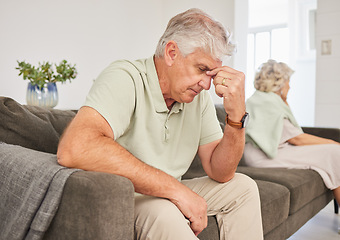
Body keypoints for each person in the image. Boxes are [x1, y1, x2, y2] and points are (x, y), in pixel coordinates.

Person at [57, 8, 263, 240]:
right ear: (172, 52)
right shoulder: (125, 77)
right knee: (164, 211)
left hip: (166, 194)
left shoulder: (199, 99)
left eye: (212, 74)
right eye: (202, 69)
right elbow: (75, 147)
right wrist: (177, 191)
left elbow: (221, 172)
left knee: (243, 188)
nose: (207, 84)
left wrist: (236, 117)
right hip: (128, 196)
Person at [244, 59, 340, 205]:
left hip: (261, 153)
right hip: (263, 156)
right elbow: (296, 139)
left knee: (332, 155)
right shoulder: (269, 102)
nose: (290, 86)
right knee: (335, 152)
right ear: (280, 83)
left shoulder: (261, 99)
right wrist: (333, 143)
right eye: (288, 81)